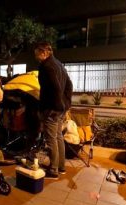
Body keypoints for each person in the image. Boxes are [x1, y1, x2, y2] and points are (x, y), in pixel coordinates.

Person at [34, 42, 73, 179]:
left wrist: (56, 105)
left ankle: (53, 169)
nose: (36, 56)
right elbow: (69, 84)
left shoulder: (47, 66)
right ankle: (61, 167)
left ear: (44, 52)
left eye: (37, 53)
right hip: (61, 107)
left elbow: (56, 87)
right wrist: (66, 103)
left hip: (52, 108)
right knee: (58, 136)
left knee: (51, 139)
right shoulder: (59, 64)